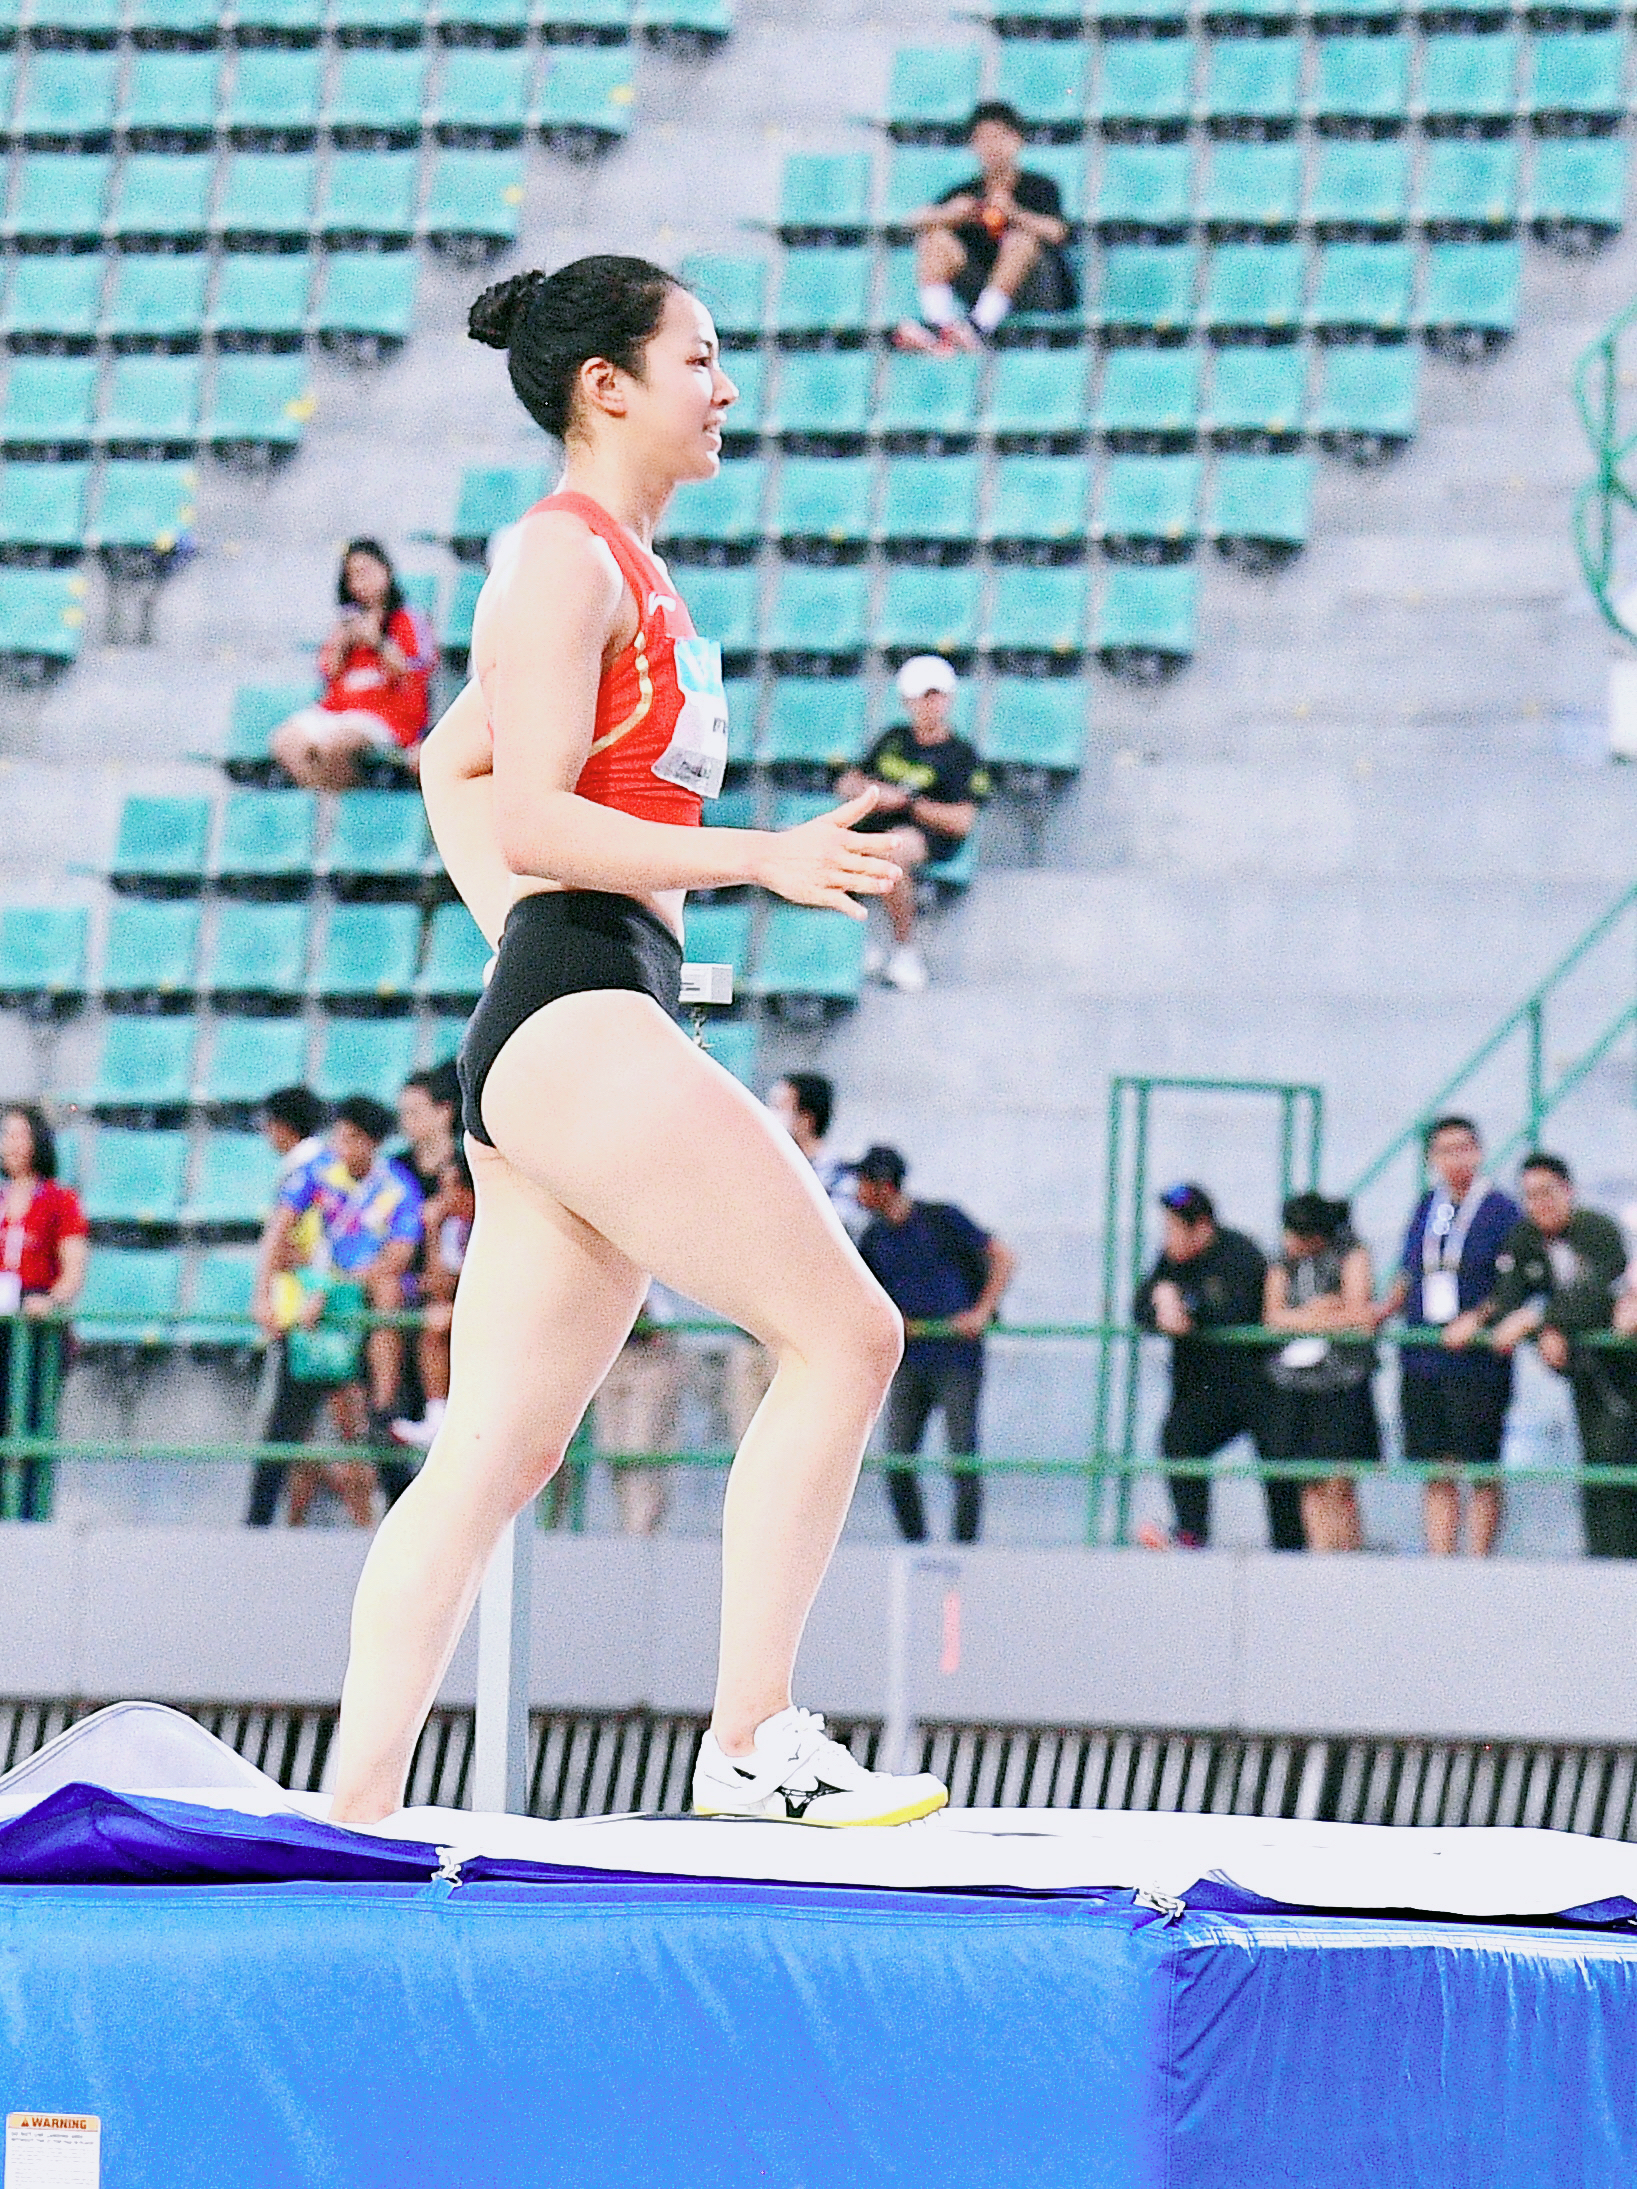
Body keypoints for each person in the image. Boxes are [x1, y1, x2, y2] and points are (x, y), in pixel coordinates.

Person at [325, 254, 946, 1831]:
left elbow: (450, 765)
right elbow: (533, 812)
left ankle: (349, 1814)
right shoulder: (560, 557)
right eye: (700, 359)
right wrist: (757, 859)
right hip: (579, 1011)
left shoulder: (617, 566)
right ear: (607, 385)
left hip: (567, 1011)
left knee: (488, 1462)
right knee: (849, 1337)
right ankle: (750, 1736)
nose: (724, 389)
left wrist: (524, 945)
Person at [247, 1096, 423, 1528]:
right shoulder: (318, 1173)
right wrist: (263, 1295)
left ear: (372, 1142)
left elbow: (397, 1259)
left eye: (350, 1138)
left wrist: (335, 1285)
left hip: (362, 1317)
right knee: (284, 1428)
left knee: (379, 1429)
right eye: (338, 1136)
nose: (340, 1147)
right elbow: (278, 1231)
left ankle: (407, 1527)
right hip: (320, 1317)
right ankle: (255, 1526)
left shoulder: (397, 1187)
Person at [1451, 1155, 1635, 1559]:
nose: (1540, 1203)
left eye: (1547, 1192)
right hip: (1587, 1372)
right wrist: (1479, 1318)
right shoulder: (1524, 1239)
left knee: (1620, 1462)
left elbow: (1597, 1291)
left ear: (1569, 1190)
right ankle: (1606, 1562)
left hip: (1623, 1368)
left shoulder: (1598, 1230)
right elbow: (1509, 1294)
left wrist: (1543, 1319)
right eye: (1530, 1195)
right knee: (1599, 1466)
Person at [854, 1145, 1015, 1545]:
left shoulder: (941, 1220)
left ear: (885, 1186)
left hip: (956, 1358)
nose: (859, 1191)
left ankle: (963, 1549)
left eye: (865, 1182)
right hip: (909, 1361)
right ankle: (916, 1546)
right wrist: (893, 1324)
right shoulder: (874, 1238)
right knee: (898, 1460)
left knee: (962, 1459)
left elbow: (1003, 1257)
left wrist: (981, 1312)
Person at [1133, 1183, 1303, 1552]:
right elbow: (1142, 1306)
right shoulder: (1170, 1262)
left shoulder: (1239, 1253)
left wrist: (1184, 1306)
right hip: (1206, 1390)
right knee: (1180, 1439)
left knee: (1279, 1466)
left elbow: (1233, 1307)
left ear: (1202, 1227)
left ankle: (1291, 1549)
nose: (1168, 1237)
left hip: (1259, 1385)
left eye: (1174, 1228)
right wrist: (1161, 1305)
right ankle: (1191, 1533)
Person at [1378, 1116, 1519, 1557]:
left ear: (1478, 1152)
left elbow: (1512, 1283)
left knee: (1480, 1465)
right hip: (1424, 1355)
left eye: (1464, 1148)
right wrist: (1383, 1308)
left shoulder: (1499, 1209)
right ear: (1431, 1159)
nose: (1456, 1159)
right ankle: (1440, 1559)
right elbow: (1411, 1269)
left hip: (1476, 1361)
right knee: (1435, 1465)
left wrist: (1479, 1318)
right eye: (1445, 1151)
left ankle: (1478, 1561)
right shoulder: (1428, 1205)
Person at [832, 656, 990, 994]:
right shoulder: (893, 738)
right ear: (907, 701)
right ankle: (854, 941)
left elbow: (962, 821)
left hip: (928, 836)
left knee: (894, 848)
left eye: (936, 695)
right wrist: (876, 794)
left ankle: (904, 949)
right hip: (875, 826)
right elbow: (848, 782)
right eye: (922, 697)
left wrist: (908, 803)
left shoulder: (961, 755)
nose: (930, 705)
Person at [896, 101, 1075, 352]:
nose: (992, 147)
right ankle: (940, 328)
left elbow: (1057, 232)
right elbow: (915, 220)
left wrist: (1014, 213)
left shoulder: (1039, 187)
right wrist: (949, 214)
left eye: (999, 137)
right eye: (983, 139)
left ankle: (979, 327)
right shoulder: (967, 192)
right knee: (935, 239)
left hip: (1035, 289)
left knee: (1020, 241)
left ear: (1017, 140)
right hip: (981, 286)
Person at [1261, 1194, 1382, 1554]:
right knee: (1309, 1480)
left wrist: (1322, 1316)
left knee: (1339, 1482)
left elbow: (1359, 1315)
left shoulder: (1351, 1253)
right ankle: (1320, 1552)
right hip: (1297, 1382)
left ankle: (1345, 1552)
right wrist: (1317, 1313)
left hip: (1341, 1380)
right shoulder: (1283, 1261)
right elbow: (1273, 1316)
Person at [269, 538, 437, 792]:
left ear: (385, 570)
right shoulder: (346, 621)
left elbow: (412, 672)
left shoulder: (409, 619)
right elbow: (329, 671)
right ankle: (324, 797)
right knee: (286, 742)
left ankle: (343, 803)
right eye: (353, 576)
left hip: (386, 714)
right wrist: (341, 644)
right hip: (339, 708)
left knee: (335, 745)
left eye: (365, 572)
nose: (360, 583)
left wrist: (377, 642)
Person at [0, 1104, 87, 1522]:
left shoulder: (59, 1200)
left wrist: (50, 1300)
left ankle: (30, 1515)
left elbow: (73, 1272)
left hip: (36, 1325)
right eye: (6, 1135)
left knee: (32, 1420)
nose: (11, 1145)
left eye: (19, 1135)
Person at [391, 1149, 474, 1457]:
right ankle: (437, 1417)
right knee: (434, 1323)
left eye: (449, 1187)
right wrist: (432, 1232)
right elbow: (438, 1286)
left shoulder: (493, 1225)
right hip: (464, 1308)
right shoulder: (450, 1226)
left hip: (501, 1311)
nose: (443, 1197)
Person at [592, 1283, 687, 1536]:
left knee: (642, 1447)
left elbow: (666, 1311)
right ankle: (629, 1530)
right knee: (613, 1450)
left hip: (653, 1353)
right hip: (612, 1354)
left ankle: (642, 1531)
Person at [767, 1072, 860, 1235]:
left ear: (806, 1119)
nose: (768, 1114)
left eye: (779, 1107)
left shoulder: (839, 1176)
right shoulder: (768, 1166)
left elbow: (834, 1230)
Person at [260, 1086, 328, 1184]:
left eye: (270, 1123)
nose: (267, 1130)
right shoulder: (323, 1157)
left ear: (286, 1127)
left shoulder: (303, 1171)